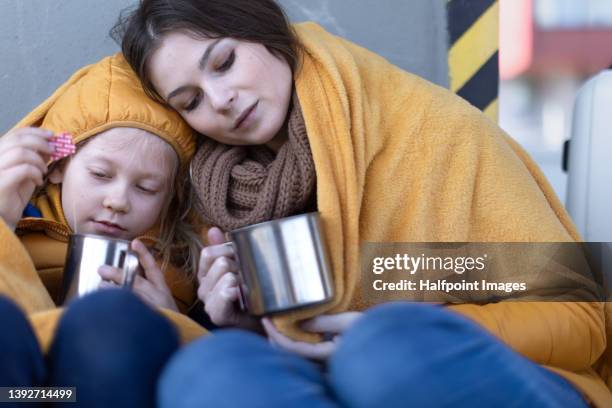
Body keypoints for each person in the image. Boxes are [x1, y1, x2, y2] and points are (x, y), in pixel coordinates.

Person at [115, 0, 612, 406]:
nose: (220, 100)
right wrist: (240, 325)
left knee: (385, 350)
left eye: (224, 62)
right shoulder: (220, 186)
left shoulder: (436, 132)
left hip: (499, 376)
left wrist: (412, 323)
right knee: (209, 371)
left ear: (267, 33)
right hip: (325, 383)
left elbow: (580, 319)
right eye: (191, 102)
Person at [0, 53, 208, 404]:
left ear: (170, 198)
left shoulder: (176, 271)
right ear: (57, 167)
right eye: (100, 175)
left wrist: (171, 320)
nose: (118, 201)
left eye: (146, 188)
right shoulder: (17, 222)